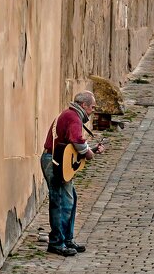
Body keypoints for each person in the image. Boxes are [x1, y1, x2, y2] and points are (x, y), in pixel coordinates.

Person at [40, 91, 105, 256]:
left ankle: (66, 239)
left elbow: (71, 144)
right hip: (54, 161)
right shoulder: (73, 117)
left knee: (69, 199)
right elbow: (76, 140)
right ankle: (57, 242)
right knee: (61, 202)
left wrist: (92, 150)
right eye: (92, 107)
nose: (92, 111)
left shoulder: (70, 115)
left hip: (57, 160)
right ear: (83, 105)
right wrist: (89, 153)